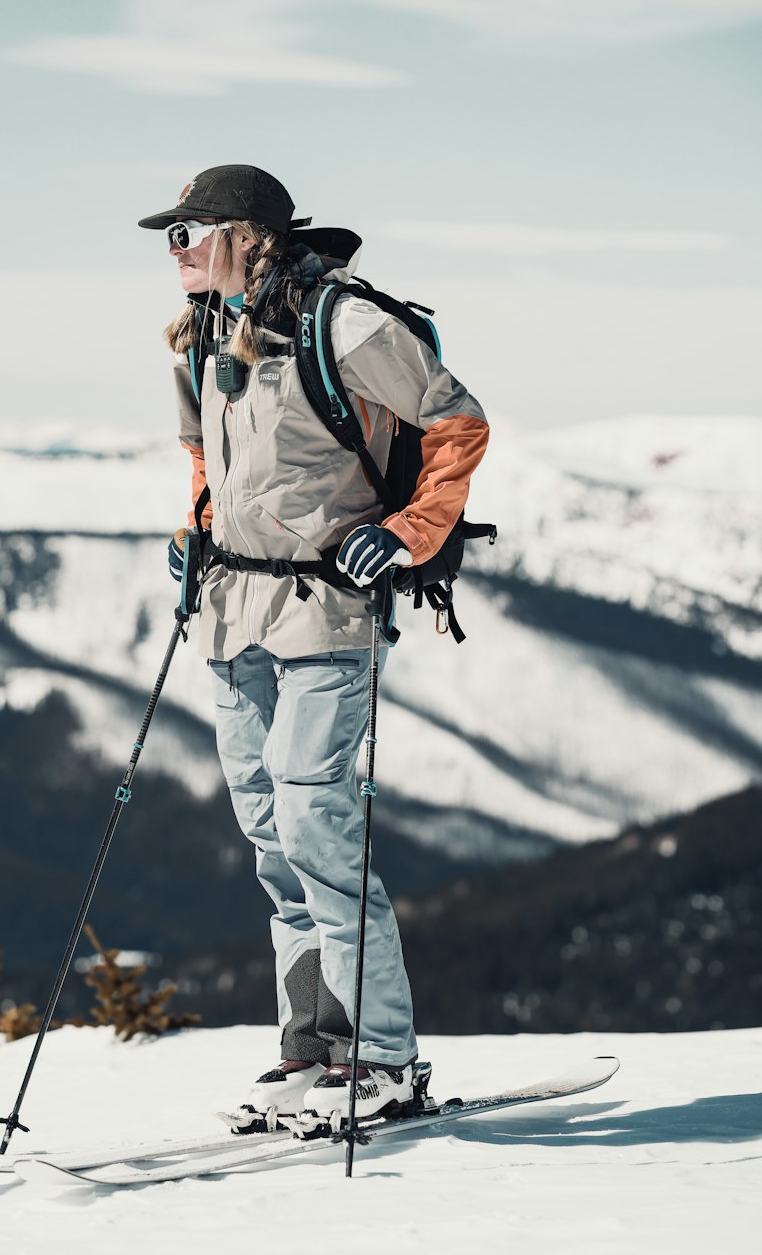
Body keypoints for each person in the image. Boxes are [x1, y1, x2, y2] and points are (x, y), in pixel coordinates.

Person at [139, 165, 489, 1126]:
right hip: (231, 606)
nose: (175, 248)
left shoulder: (345, 324)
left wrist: (413, 532)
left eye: (190, 230)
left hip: (326, 607)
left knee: (316, 826)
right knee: (268, 834)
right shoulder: (205, 329)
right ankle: (314, 1050)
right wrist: (196, 530)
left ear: (247, 233)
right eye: (170, 234)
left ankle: (384, 1057)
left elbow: (457, 421)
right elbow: (211, 459)